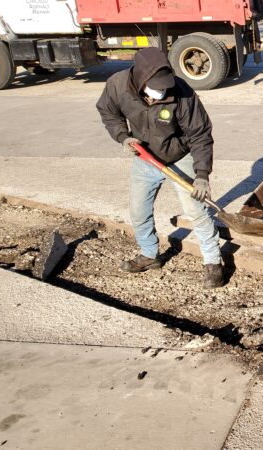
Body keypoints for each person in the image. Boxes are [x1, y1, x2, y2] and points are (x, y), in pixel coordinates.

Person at [96, 47, 223, 288]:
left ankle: (213, 263)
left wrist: (202, 175)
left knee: (196, 209)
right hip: (145, 157)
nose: (160, 94)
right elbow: (108, 112)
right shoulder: (118, 85)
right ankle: (149, 254)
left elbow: (200, 134)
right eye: (155, 89)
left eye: (164, 88)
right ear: (141, 78)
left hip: (179, 156)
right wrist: (123, 137)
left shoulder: (182, 92)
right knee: (138, 210)